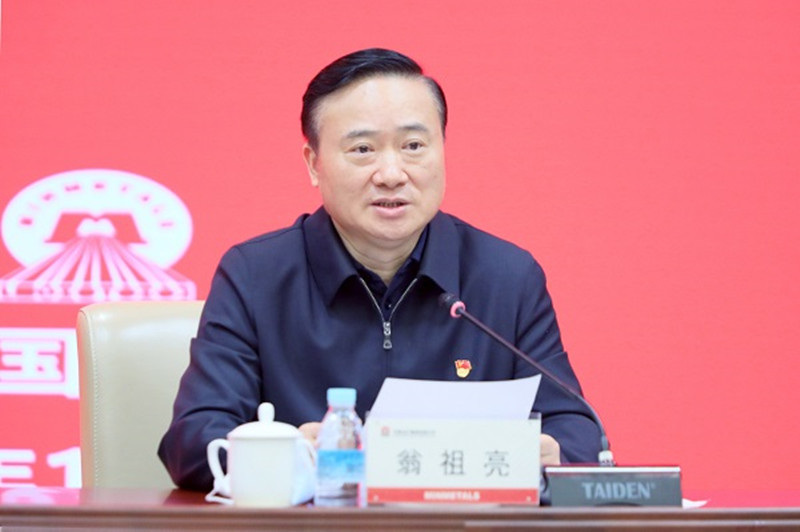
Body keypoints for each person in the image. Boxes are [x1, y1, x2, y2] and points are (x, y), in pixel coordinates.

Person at [158, 48, 603, 491]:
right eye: (363, 149)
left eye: (413, 146)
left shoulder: (506, 276)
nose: (391, 173)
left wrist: (552, 452)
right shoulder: (256, 275)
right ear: (314, 164)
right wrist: (285, 454)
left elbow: (577, 432)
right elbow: (193, 441)